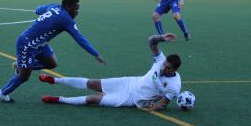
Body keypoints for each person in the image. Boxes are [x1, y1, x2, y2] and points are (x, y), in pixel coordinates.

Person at [0, 0, 107, 102]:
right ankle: (3, 92)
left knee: (52, 63)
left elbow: (38, 9)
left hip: (41, 44)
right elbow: (80, 38)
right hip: (27, 44)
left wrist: (43, 13)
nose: (77, 12)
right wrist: (96, 54)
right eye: (75, 9)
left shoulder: (54, 6)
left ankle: (23, 66)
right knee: (24, 77)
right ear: (68, 7)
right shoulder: (66, 19)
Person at [40, 33, 182, 111]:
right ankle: (54, 80)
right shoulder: (160, 61)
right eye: (164, 64)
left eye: (167, 67)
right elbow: (151, 41)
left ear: (175, 70)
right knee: (92, 83)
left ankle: (58, 99)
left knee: (93, 99)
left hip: (130, 99)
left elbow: (162, 104)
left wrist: (150, 106)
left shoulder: (174, 86)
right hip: (129, 82)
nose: (164, 67)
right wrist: (161, 38)